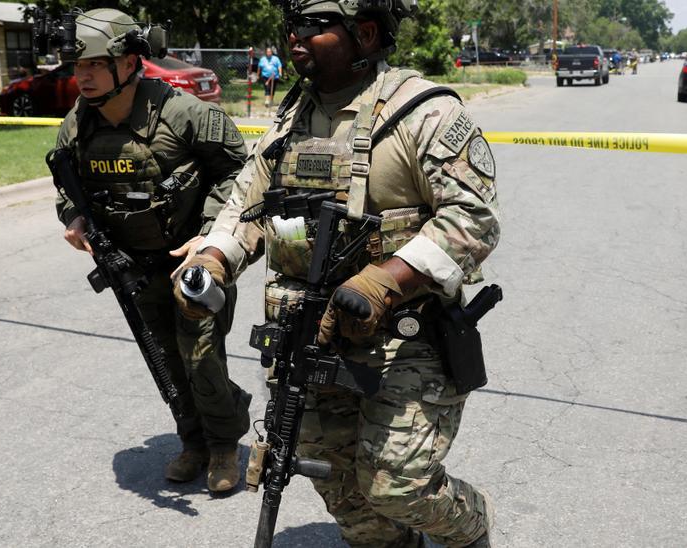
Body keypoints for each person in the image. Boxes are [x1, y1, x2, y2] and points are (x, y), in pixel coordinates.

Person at [175, 0, 500, 545]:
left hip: (406, 337)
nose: (295, 36)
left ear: (365, 34)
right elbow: (246, 205)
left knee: (398, 487)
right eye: (292, 25)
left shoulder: (425, 110)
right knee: (342, 486)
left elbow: (474, 217)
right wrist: (213, 259)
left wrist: (385, 280)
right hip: (307, 336)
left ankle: (470, 526)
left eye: (313, 26)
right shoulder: (290, 117)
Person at [52, 8, 252, 492]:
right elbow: (66, 185)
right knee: (162, 356)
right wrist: (73, 219)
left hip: (194, 262)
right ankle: (194, 442)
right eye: (78, 66)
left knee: (201, 355)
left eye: (95, 64)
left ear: (128, 61)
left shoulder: (185, 113)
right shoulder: (77, 125)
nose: (84, 76)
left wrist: (209, 234)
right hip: (132, 266)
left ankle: (224, 446)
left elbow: (238, 173)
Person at [258, 46, 284, 113]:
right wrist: (258, 75)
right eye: (267, 52)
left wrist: (280, 72)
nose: (269, 53)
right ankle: (267, 101)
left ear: (271, 52)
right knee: (267, 88)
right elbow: (259, 67)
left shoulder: (276, 59)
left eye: (270, 52)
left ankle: (271, 101)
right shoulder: (263, 59)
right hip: (265, 76)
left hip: (274, 76)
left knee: (273, 89)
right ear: (266, 53)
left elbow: (279, 66)